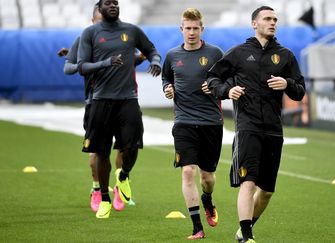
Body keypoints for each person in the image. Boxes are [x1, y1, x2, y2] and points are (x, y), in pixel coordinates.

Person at [207, 6, 305, 243]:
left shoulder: (285, 55)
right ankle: (247, 236)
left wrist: (288, 84)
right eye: (267, 19)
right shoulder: (239, 53)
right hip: (247, 127)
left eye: (275, 19)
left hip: (273, 129)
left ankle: (244, 230)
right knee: (248, 182)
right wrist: (227, 91)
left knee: (267, 191)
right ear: (254, 23)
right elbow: (212, 79)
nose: (272, 23)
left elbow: (300, 91)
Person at [58, 4, 146, 213]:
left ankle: (118, 186)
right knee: (97, 152)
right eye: (99, 22)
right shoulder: (85, 37)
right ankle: (97, 188)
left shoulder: (122, 36)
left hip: (122, 99)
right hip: (95, 101)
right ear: (93, 22)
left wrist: (139, 58)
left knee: (124, 147)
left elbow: (125, 62)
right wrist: (79, 60)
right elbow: (70, 67)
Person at [77, 0, 161, 219]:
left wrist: (156, 61)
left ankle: (122, 176)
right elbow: (82, 66)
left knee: (132, 148)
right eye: (108, 3)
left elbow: (152, 50)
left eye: (115, 2)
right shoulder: (90, 33)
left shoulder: (131, 30)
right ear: (100, 9)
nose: (113, 5)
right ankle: (104, 198)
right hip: (100, 100)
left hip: (128, 99)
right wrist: (105, 63)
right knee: (102, 152)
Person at [162, 8, 223, 240]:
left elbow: (228, 79)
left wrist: (215, 86)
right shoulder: (172, 56)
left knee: (207, 177)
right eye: (187, 28)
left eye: (195, 28)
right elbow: (166, 77)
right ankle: (197, 227)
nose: (191, 32)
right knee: (188, 171)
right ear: (181, 29)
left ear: (202, 29)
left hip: (211, 123)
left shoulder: (215, 53)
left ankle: (208, 199)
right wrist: (167, 89)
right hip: (184, 122)